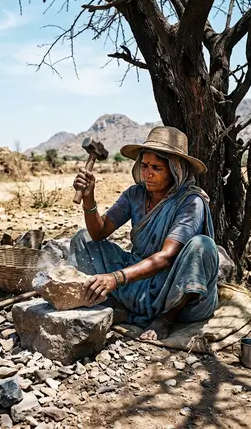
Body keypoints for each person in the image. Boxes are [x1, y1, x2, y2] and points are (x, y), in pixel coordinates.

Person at [70, 126, 219, 341]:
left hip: (172, 287)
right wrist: (88, 198)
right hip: (137, 275)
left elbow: (167, 257)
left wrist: (116, 278)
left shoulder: (190, 202)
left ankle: (166, 318)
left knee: (202, 245)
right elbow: (98, 233)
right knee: (82, 239)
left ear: (175, 170)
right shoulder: (135, 194)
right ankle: (117, 302)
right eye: (145, 165)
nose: (147, 173)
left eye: (156, 167)